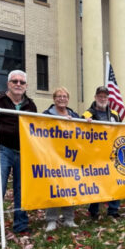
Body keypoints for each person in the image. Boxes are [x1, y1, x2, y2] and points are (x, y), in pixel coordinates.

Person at [0, 70, 37, 239]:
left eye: (22, 82)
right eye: (15, 81)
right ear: (8, 84)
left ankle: (20, 225)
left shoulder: (31, 106)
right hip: (1, 150)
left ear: (26, 86)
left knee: (22, 189)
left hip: (23, 152)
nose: (18, 84)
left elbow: (34, 129)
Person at [82, 86, 121, 219]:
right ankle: (93, 210)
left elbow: (121, 130)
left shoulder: (115, 114)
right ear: (95, 97)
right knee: (96, 182)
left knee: (114, 181)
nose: (102, 98)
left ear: (108, 98)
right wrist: (85, 124)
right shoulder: (87, 114)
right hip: (95, 154)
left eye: (105, 96)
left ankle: (113, 210)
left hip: (112, 154)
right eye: (100, 96)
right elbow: (80, 133)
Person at [43, 87, 79, 231]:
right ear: (54, 99)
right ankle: (51, 220)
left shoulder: (74, 114)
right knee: (53, 187)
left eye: (64, 96)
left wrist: (87, 122)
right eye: (59, 96)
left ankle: (68, 218)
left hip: (70, 157)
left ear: (68, 99)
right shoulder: (46, 114)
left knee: (69, 187)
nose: (62, 98)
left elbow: (82, 130)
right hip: (52, 156)